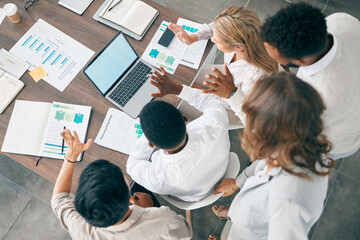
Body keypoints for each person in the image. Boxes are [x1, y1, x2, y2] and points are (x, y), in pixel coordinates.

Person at [206, 72, 335, 240]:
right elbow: (261, 167)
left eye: (253, 119)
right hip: (247, 216)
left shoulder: (289, 206)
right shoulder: (298, 139)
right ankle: (232, 215)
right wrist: (237, 184)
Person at [260, 2, 360, 159]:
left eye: (278, 60)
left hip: (337, 141)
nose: (278, 64)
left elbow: (295, 134)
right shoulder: (341, 20)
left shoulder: (319, 97)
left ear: (300, 60)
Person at [52, 129, 192, 240]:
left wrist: (71, 156)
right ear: (127, 197)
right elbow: (186, 233)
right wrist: (148, 210)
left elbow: (59, 200)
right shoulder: (163, 219)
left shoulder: (80, 229)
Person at [126, 66, 230, 202]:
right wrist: (177, 89)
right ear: (184, 118)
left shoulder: (159, 179)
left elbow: (132, 165)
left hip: (196, 196)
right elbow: (212, 103)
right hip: (223, 167)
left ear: (150, 144)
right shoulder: (215, 124)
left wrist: (150, 131)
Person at [169, 6, 278, 124]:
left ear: (238, 47)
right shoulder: (245, 37)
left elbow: (233, 102)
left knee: (180, 104)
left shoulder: (254, 77)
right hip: (230, 83)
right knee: (186, 75)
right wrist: (193, 37)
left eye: (217, 41)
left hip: (238, 108)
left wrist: (201, 92)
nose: (212, 40)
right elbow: (215, 28)